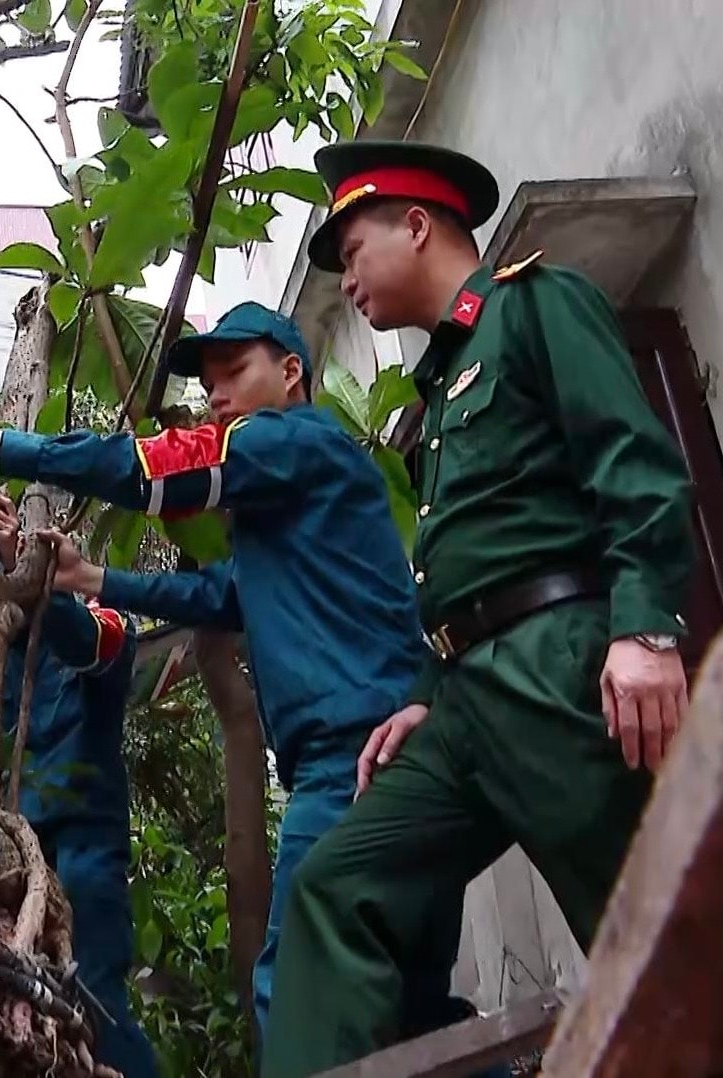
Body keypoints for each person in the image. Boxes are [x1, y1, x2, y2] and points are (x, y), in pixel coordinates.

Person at [0, 302, 472, 1046]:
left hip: (354, 754)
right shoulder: (291, 509)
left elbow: (145, 469)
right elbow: (220, 595)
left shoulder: (289, 440)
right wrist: (93, 576)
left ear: (292, 372)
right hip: (387, 748)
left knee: (298, 992)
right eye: (209, 383)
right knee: (411, 1009)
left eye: (235, 373)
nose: (217, 395)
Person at [258, 141, 696, 1075]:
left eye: (353, 253)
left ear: (417, 225)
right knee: (336, 888)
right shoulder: (437, 390)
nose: (347, 282)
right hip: (462, 704)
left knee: (663, 949)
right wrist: (425, 694)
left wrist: (646, 627)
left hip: (556, 673)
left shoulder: (536, 306)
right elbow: (457, 571)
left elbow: (635, 464)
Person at [0, 493, 159, 1078]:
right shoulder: (2, 641)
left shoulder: (105, 619)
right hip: (15, 848)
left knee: (95, 998)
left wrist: (32, 575)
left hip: (86, 846)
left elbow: (87, 642)